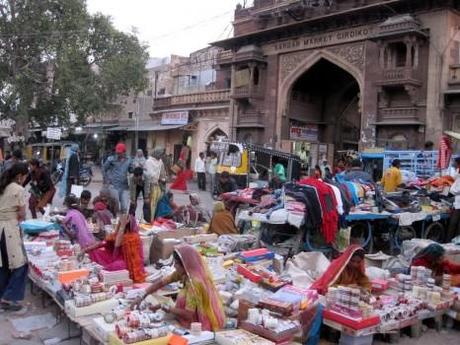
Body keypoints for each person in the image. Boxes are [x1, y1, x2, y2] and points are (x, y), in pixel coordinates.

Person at [131, 244, 225, 331]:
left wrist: (163, 306)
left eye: (176, 263)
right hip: (184, 318)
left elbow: (188, 315)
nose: (174, 266)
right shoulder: (184, 273)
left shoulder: (194, 284)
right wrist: (141, 295)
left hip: (193, 325)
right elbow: (161, 283)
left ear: (185, 264)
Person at [0, 163, 30, 311]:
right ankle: (7, 298)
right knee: (21, 265)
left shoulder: (3, 186)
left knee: (4, 265)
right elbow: (22, 214)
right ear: (20, 176)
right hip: (9, 230)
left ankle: (3, 296)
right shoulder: (18, 189)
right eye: (25, 176)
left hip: (1, 228)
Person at [103, 143, 132, 214]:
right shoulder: (111, 159)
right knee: (115, 207)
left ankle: (123, 223)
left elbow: (131, 170)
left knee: (124, 207)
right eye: (117, 153)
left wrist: (135, 169)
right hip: (114, 186)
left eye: (120, 153)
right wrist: (107, 179)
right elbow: (104, 168)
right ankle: (114, 221)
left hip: (125, 186)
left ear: (124, 152)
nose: (118, 154)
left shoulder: (129, 160)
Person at [144, 148, 166, 219]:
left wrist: (163, 179)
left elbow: (162, 173)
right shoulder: (149, 161)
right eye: (160, 154)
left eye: (162, 155)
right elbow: (149, 174)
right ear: (156, 153)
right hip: (150, 185)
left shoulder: (160, 161)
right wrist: (159, 178)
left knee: (158, 203)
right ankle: (150, 220)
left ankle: (155, 219)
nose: (161, 156)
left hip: (158, 185)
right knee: (151, 204)